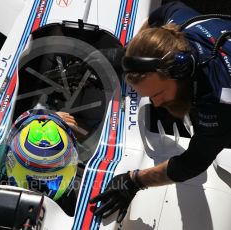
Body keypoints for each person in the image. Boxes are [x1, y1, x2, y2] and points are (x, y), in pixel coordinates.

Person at [90, 1, 231, 222]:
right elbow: (164, 11)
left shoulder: (218, 101)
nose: (155, 104)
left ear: (181, 72)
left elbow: (192, 163)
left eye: (158, 93)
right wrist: (129, 53)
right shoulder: (179, 22)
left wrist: (135, 181)